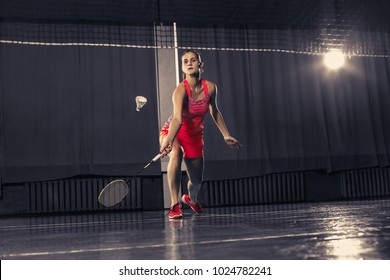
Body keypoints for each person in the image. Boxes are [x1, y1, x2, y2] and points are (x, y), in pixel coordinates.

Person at [160, 49, 242, 219]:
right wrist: (167, 140)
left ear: (200, 64)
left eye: (192, 60)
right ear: (183, 68)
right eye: (185, 61)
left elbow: (215, 111)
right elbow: (176, 119)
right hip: (174, 130)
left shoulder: (210, 87)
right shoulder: (180, 91)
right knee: (176, 153)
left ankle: (191, 199)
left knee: (196, 181)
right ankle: (174, 205)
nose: (189, 63)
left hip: (195, 137)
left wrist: (225, 134)